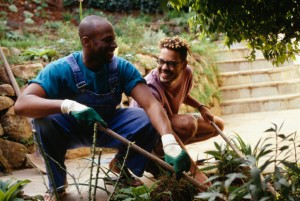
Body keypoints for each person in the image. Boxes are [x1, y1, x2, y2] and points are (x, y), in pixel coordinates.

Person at [14, 16, 198, 200]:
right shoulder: (61, 69)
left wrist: (169, 141)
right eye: (107, 40)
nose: (114, 45)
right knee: (44, 122)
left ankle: (121, 164)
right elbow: (22, 104)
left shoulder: (122, 68)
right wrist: (68, 105)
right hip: (69, 129)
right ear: (86, 42)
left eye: (114, 39)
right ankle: (57, 185)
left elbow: (151, 104)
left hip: (107, 125)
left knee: (146, 118)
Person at [130, 36, 224, 178]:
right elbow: (165, 129)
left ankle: (168, 158)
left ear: (183, 64)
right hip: (149, 136)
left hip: (166, 126)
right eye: (161, 61)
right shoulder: (151, 88)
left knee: (217, 125)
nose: (165, 68)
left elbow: (182, 94)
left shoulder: (187, 73)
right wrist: (195, 172)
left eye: (172, 64)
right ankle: (158, 160)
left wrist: (200, 106)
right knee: (187, 123)